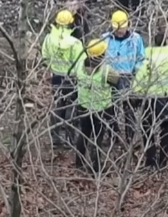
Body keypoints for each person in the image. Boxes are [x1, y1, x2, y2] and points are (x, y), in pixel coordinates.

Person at [131, 30, 168, 170]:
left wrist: (136, 96)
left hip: (150, 98)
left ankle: (150, 160)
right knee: (166, 129)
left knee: (147, 128)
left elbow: (139, 79)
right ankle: (163, 161)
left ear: (153, 44)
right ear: (166, 43)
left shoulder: (148, 60)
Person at [73, 39, 120, 173]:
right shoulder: (107, 71)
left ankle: (79, 163)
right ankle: (96, 167)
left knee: (84, 134)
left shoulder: (79, 66)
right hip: (102, 109)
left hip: (83, 106)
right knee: (98, 138)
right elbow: (117, 82)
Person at [42, 10, 85, 147]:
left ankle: (55, 138)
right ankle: (69, 139)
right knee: (71, 107)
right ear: (71, 23)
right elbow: (80, 63)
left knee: (57, 105)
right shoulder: (75, 43)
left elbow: (45, 57)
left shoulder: (49, 38)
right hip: (72, 78)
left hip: (56, 77)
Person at [104, 10, 145, 139]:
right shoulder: (104, 39)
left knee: (129, 109)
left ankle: (130, 136)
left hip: (129, 77)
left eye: (121, 28)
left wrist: (136, 74)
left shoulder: (136, 39)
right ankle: (113, 135)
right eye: (117, 29)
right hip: (110, 77)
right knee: (110, 108)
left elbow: (141, 58)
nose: (119, 31)